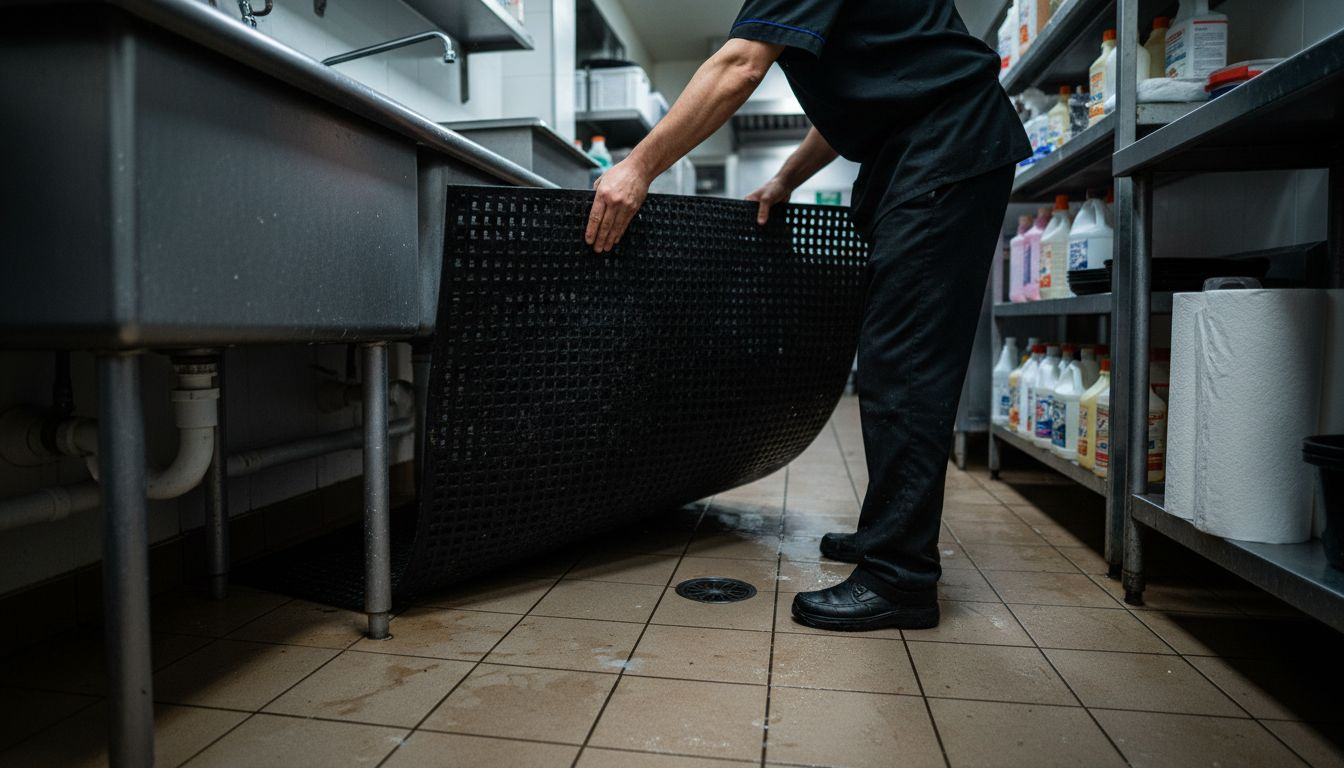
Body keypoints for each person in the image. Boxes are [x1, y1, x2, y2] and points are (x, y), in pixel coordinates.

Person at [584, 0, 1030, 630]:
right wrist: (785, 179)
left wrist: (637, 167)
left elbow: (738, 66)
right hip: (923, 148)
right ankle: (889, 532)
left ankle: (899, 577)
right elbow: (860, 100)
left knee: (904, 365)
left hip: (943, 147)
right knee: (893, 360)